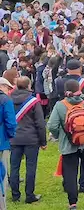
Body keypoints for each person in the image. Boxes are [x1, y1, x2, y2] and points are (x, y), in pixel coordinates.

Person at [47, 79, 84, 209]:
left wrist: (59, 135)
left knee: (70, 174)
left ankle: (73, 203)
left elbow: (52, 125)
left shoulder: (60, 105)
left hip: (68, 145)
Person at [9, 76, 45, 204]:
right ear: (29, 86)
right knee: (31, 167)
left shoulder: (8, 100)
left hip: (14, 138)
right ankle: (29, 195)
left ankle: (15, 195)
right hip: (31, 138)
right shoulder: (33, 102)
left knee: (14, 167)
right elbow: (40, 123)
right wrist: (43, 141)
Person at [0, 77, 16, 210]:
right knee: (2, 175)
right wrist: (10, 136)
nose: (9, 91)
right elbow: (11, 122)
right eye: (8, 88)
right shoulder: (5, 100)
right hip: (1, 142)